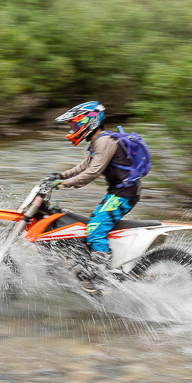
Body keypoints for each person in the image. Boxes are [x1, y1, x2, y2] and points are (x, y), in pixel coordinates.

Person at [50, 101, 141, 293]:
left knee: (95, 228)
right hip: (117, 193)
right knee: (90, 224)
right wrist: (61, 176)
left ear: (88, 122)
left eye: (74, 125)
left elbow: (92, 172)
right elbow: (84, 166)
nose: (72, 129)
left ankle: (102, 276)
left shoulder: (104, 141)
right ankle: (94, 263)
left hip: (123, 194)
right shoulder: (98, 141)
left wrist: (66, 184)